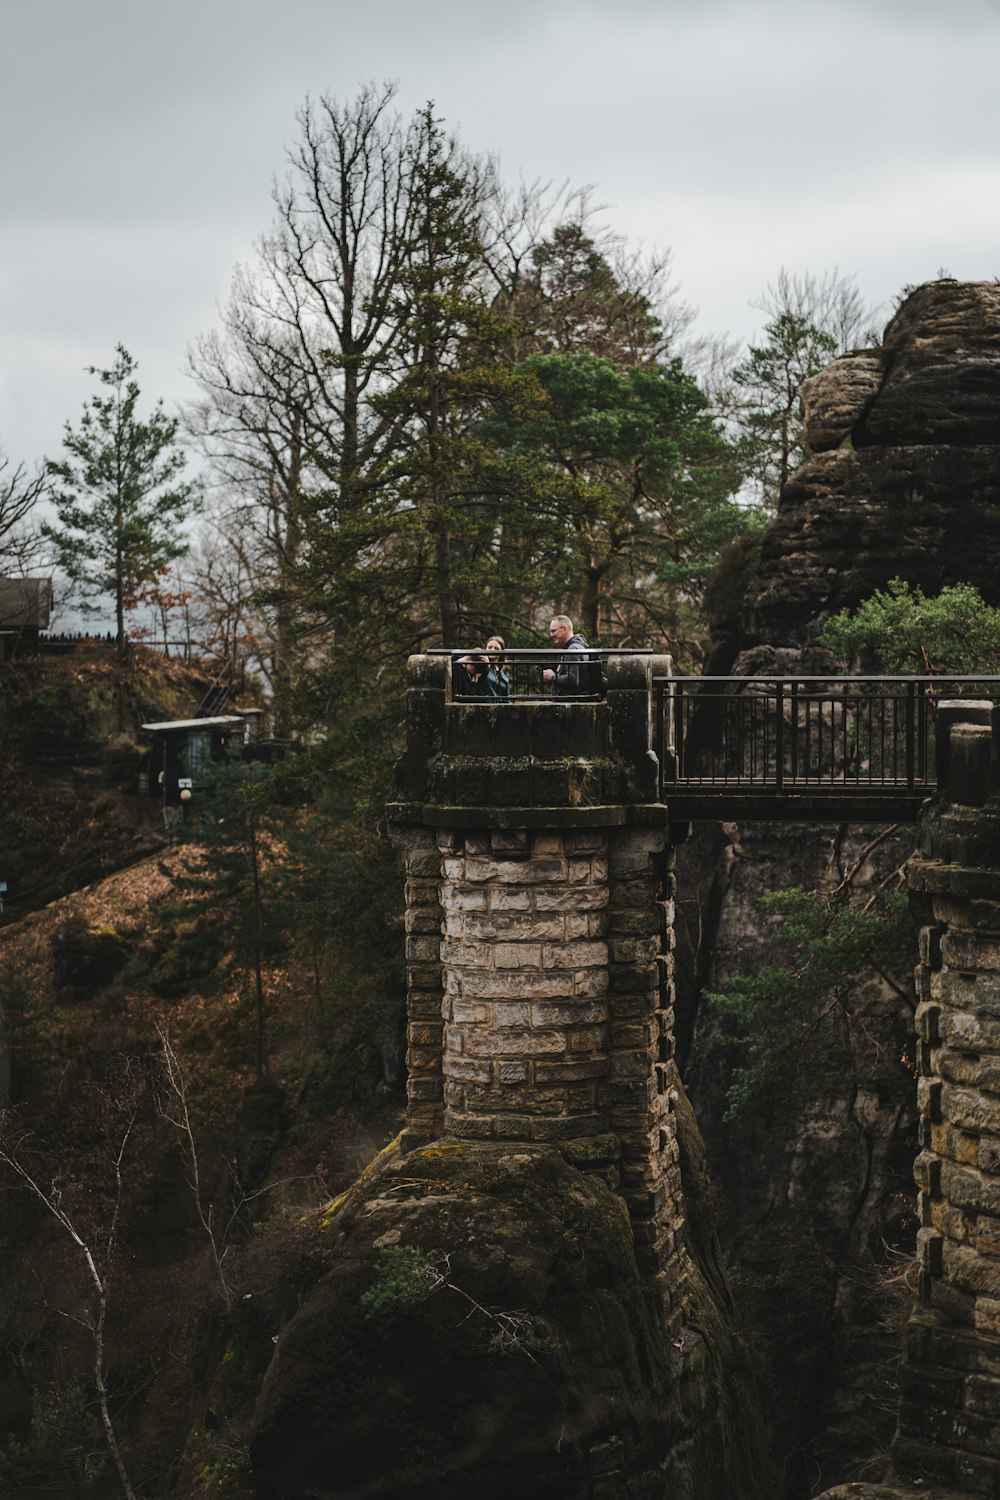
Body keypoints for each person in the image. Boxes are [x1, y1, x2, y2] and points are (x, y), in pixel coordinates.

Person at [542, 615, 593, 696]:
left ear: (565, 629)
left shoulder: (572, 650)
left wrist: (552, 677)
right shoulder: (578, 646)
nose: (551, 635)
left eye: (553, 631)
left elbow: (572, 680)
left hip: (572, 701)